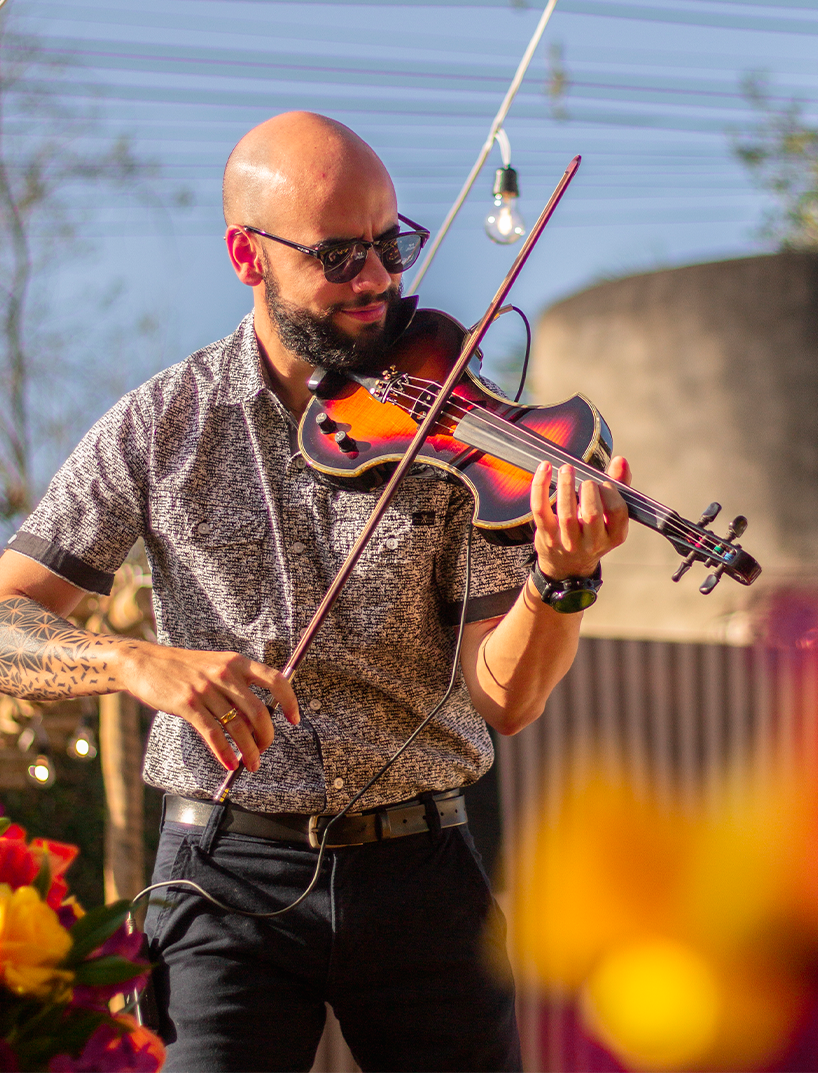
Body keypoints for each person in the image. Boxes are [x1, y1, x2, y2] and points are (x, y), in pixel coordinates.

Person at [0, 112, 630, 1072]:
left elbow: (507, 698)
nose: (377, 279)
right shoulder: (161, 423)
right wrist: (132, 661)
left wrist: (562, 577)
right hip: (221, 878)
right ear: (247, 256)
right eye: (338, 256)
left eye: (391, 244)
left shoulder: (456, 417)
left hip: (422, 870)